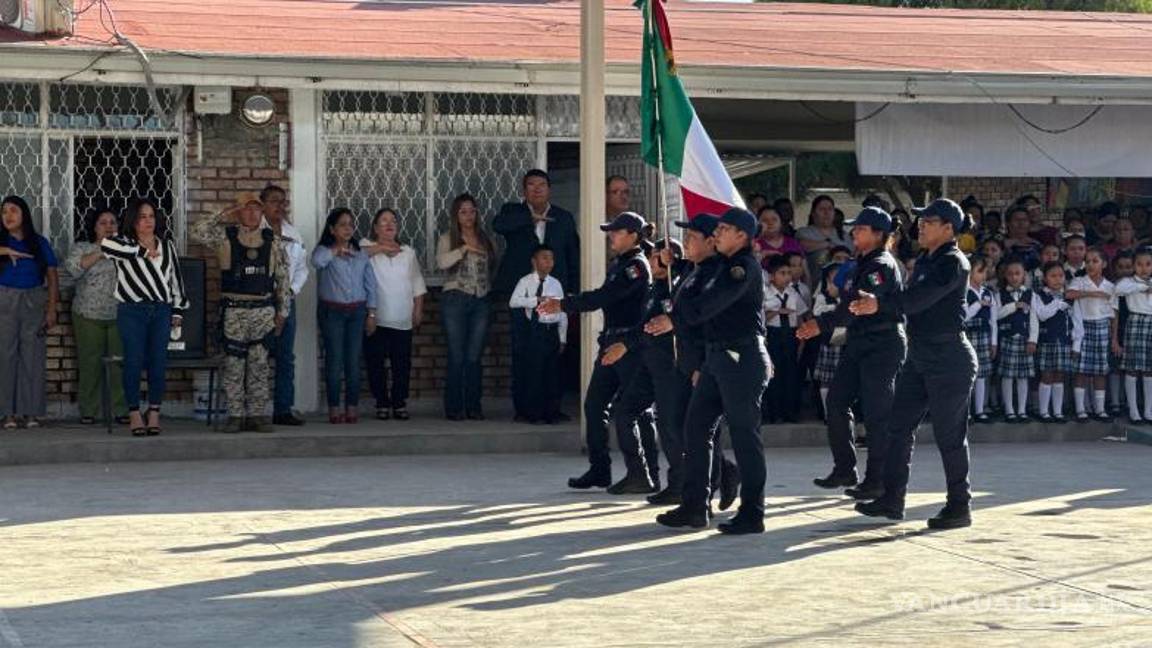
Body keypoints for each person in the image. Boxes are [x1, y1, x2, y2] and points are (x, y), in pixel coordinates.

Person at [852, 198, 978, 530]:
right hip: (921, 353)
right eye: (921, 221)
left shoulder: (953, 262)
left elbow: (920, 300)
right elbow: (911, 301)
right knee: (897, 426)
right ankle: (892, 499)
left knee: (949, 435)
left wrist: (879, 305)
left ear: (948, 229)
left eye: (929, 221)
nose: (920, 225)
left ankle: (959, 506)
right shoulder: (927, 258)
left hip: (949, 356)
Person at [655, 208, 771, 535]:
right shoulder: (722, 265)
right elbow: (699, 280)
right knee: (695, 429)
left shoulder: (742, 268)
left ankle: (753, 512)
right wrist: (674, 263)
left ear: (742, 236)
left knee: (745, 437)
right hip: (717, 359)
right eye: (716, 228)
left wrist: (675, 320)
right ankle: (695, 506)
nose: (717, 233)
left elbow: (712, 303)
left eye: (724, 229)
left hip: (741, 358)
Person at [539, 212, 655, 494]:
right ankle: (600, 469)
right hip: (611, 343)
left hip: (629, 346)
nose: (611, 236)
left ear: (632, 235)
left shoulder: (636, 267)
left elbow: (603, 297)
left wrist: (563, 304)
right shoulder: (621, 263)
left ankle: (646, 472)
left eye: (616, 232)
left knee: (637, 412)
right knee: (594, 406)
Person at [797, 207, 906, 500]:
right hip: (859, 343)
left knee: (876, 414)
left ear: (878, 234)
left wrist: (819, 325)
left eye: (860, 228)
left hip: (881, 345)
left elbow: (853, 308)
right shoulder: (861, 262)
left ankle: (876, 479)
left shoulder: (881, 265)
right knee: (836, 401)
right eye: (854, 228)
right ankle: (845, 468)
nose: (854, 232)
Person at [644, 215, 740, 510]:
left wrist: (700, 364)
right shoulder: (692, 270)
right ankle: (719, 475)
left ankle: (705, 493)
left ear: (712, 242)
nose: (686, 243)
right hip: (683, 361)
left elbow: (705, 319)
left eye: (692, 238)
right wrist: (666, 264)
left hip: (703, 361)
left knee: (698, 429)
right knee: (677, 425)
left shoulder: (716, 274)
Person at [191, 193, 291, 433]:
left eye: (256, 209)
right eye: (246, 209)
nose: (251, 213)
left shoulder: (273, 241)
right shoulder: (226, 236)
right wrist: (227, 212)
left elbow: (283, 279)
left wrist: (282, 312)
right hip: (234, 311)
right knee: (234, 365)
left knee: (259, 366)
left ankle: (257, 415)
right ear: (239, 211)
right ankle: (236, 415)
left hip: (263, 311)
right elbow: (197, 230)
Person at [101, 198, 189, 436]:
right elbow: (105, 245)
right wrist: (142, 251)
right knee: (133, 361)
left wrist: (178, 311)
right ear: (133, 220)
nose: (148, 221)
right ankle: (134, 414)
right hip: (132, 311)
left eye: (151, 216)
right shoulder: (123, 244)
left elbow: (175, 281)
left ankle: (154, 413)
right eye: (142, 216)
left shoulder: (167, 245)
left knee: (158, 363)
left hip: (161, 310)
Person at [0, 196, 60, 430]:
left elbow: (52, 276)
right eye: (4, 211)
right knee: (5, 356)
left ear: (24, 214)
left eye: (13, 210)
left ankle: (31, 412)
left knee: (32, 357)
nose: (8, 216)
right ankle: (7, 414)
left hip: (34, 299)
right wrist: (4, 249)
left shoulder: (38, 243)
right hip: (5, 299)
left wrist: (52, 307)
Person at [312, 208, 377, 424]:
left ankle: (352, 406)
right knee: (334, 360)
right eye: (342, 224)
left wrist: (372, 313)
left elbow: (370, 285)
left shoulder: (360, 253)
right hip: (333, 312)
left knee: (352, 362)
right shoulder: (325, 250)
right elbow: (316, 262)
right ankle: (334, 407)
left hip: (357, 312)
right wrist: (335, 251)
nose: (348, 228)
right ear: (332, 229)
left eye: (350, 224)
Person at [362, 208, 427, 421]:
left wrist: (418, 309)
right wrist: (381, 248)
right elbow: (356, 255)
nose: (389, 224)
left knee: (402, 365)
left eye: (393, 221)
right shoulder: (366, 246)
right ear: (375, 227)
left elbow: (417, 283)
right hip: (376, 318)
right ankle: (381, 402)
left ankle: (399, 403)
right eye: (384, 221)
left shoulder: (408, 252)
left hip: (402, 318)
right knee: (376, 363)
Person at [437, 193, 497, 421]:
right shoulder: (448, 238)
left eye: (472, 211)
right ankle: (454, 407)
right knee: (456, 355)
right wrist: (463, 249)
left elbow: (493, 264)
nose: (469, 216)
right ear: (456, 215)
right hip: (455, 297)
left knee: (474, 356)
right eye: (463, 211)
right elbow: (441, 263)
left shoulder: (485, 238)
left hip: (481, 298)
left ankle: (474, 405)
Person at [65, 207, 128, 425]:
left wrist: (118, 249)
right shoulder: (83, 248)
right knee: (90, 363)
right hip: (88, 315)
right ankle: (89, 410)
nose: (109, 226)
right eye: (103, 222)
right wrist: (103, 250)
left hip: (120, 315)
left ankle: (121, 410)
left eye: (113, 222)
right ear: (94, 227)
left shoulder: (126, 248)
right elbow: (74, 269)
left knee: (119, 364)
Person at [260, 185, 309, 426]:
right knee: (257, 356)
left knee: (285, 357)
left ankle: (282, 409)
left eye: (283, 201)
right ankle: (254, 410)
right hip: (260, 302)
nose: (279, 206)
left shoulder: (293, 233)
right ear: (263, 204)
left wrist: (291, 290)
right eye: (273, 201)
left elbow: (302, 267)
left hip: (286, 300)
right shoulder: (254, 231)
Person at [494, 169, 579, 294]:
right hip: (518, 287)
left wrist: (573, 291)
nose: (537, 189)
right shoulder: (513, 211)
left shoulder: (563, 217)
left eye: (542, 185)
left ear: (549, 190)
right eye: (531, 184)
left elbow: (573, 255)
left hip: (553, 288)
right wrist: (528, 219)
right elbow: (498, 225)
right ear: (524, 191)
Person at [508, 245, 567, 424]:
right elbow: (514, 302)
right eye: (544, 258)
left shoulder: (555, 283)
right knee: (533, 372)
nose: (549, 262)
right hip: (534, 331)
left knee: (552, 373)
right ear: (534, 261)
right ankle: (532, 412)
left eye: (551, 258)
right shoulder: (525, 281)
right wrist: (536, 300)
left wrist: (562, 337)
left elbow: (563, 312)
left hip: (551, 330)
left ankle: (551, 411)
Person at [1067, 248, 1114, 422]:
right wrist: (1092, 293)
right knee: (1081, 370)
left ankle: (1099, 409)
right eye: (1088, 261)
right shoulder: (1079, 281)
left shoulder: (1109, 286)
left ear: (1104, 264)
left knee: (1100, 371)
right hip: (1084, 326)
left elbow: (1113, 314)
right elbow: (1069, 294)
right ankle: (1081, 409)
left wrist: (1113, 336)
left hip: (1102, 327)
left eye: (1095, 261)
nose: (1090, 264)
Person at [1029, 261, 1079, 423]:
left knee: (1059, 376)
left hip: (1064, 342)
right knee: (1046, 375)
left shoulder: (1070, 297)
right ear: (1045, 278)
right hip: (1046, 341)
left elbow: (1077, 322)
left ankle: (1057, 412)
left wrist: (1076, 344)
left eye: (1061, 276)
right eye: (1053, 276)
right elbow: (1042, 314)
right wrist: (1058, 303)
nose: (1057, 279)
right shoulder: (1038, 295)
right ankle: (1044, 411)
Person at [761, 254, 806, 423]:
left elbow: (801, 315)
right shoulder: (765, 293)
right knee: (774, 375)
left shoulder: (793, 293)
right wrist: (777, 312)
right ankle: (774, 412)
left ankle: (790, 412)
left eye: (788, 273)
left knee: (791, 374)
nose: (787, 276)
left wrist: (802, 339)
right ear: (772, 276)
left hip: (791, 335)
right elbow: (761, 317)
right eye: (782, 273)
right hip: (773, 335)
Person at [1114, 249, 1152, 424]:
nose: (1144, 268)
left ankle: (1148, 411)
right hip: (1135, 322)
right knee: (1132, 367)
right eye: (1139, 264)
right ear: (1134, 266)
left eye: (1148, 264)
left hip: (1150, 323)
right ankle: (1134, 410)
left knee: (1148, 370)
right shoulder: (1128, 282)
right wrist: (1142, 287)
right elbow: (1119, 290)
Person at [996, 259, 1036, 423]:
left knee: (1023, 377)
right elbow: (997, 314)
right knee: (1007, 376)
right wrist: (1014, 306)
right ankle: (1009, 410)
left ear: (1024, 275)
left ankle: (1021, 410)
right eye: (1010, 274)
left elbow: (1034, 319)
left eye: (1017, 273)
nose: (1014, 277)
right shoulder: (1000, 294)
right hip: (1007, 338)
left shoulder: (1030, 294)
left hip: (1025, 339)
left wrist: (1033, 340)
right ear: (1005, 276)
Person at [963, 257, 998, 424]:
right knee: (967, 375)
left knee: (982, 375)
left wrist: (994, 342)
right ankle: (966, 412)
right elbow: (965, 316)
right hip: (968, 336)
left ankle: (980, 410)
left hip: (984, 337)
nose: (984, 275)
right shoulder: (964, 292)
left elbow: (993, 320)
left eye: (985, 271)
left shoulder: (988, 293)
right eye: (980, 271)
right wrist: (978, 304)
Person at [811, 262, 844, 419]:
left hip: (845, 339)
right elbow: (817, 311)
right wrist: (835, 308)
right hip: (830, 339)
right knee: (826, 379)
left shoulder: (848, 296)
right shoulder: (822, 296)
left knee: (842, 378)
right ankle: (826, 413)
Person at [796, 195, 851, 285]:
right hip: (815, 285)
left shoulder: (844, 235)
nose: (826, 213)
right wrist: (827, 245)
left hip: (843, 286)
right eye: (822, 209)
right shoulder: (804, 232)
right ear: (813, 213)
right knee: (823, 255)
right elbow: (801, 246)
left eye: (830, 209)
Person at [1108, 252, 1136, 417]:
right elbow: (1113, 315)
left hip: (1133, 331)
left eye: (1128, 267)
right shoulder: (1112, 288)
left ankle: (1128, 402)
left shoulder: (1137, 288)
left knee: (1131, 369)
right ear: (1114, 268)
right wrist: (1115, 338)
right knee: (1115, 368)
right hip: (1116, 331)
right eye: (1121, 267)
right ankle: (1115, 402)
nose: (1125, 270)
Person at [1003, 205, 1042, 271]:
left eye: (1025, 220)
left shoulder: (1037, 245)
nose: (1021, 223)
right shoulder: (999, 244)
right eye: (1017, 220)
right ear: (1008, 223)